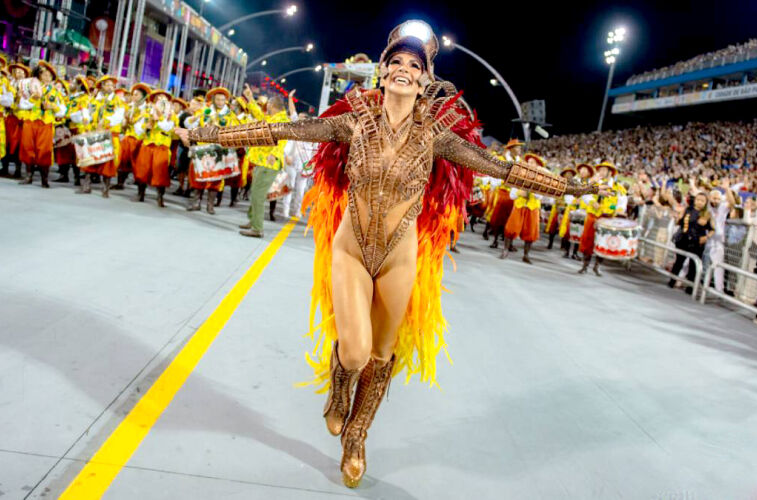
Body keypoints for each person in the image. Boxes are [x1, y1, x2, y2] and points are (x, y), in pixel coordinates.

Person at [179, 20, 599, 488]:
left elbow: (500, 168)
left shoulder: (439, 135)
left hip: (401, 256)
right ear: (382, 72)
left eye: (413, 65)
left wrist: (564, 187)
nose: (403, 69)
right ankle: (339, 390)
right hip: (351, 248)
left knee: (382, 354)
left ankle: (357, 436)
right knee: (355, 352)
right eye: (395, 62)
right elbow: (283, 127)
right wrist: (212, 134)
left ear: (425, 80)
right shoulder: (352, 119)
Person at [238, 84, 290, 237]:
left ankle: (257, 228)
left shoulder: (282, 121)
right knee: (255, 192)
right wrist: (249, 98)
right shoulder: (272, 118)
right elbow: (258, 115)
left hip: (269, 162)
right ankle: (253, 220)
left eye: (268, 106)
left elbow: (282, 141)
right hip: (262, 161)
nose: (266, 108)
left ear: (272, 106)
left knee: (258, 195)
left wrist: (274, 154)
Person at [184, 87, 237, 214]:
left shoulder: (230, 115)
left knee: (215, 179)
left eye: (223, 100)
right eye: (218, 99)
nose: (220, 102)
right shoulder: (205, 111)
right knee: (198, 175)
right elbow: (188, 124)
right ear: (213, 100)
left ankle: (210, 205)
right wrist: (197, 118)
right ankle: (196, 202)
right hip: (203, 148)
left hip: (218, 150)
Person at [18, 61, 65, 188]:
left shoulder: (56, 92)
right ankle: (29, 176)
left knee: (44, 150)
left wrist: (53, 106)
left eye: (49, 76)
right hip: (31, 120)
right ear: (39, 76)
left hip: (46, 123)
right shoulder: (29, 88)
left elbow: (63, 110)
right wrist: (33, 99)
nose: (47, 78)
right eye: (44, 75)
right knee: (28, 147)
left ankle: (44, 179)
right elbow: (22, 104)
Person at [78, 75, 125, 197]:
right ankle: (86, 185)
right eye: (107, 84)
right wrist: (86, 119)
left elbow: (118, 117)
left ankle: (105, 189)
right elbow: (88, 112)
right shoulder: (94, 100)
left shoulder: (118, 101)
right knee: (89, 160)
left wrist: (105, 122)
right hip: (94, 133)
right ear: (102, 86)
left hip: (108, 134)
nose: (110, 87)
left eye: (112, 85)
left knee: (108, 163)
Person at [578, 161, 627, 276]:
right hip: (593, 215)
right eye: (600, 170)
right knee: (588, 241)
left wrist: (615, 209)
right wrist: (592, 202)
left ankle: (597, 266)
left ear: (610, 172)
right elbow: (584, 194)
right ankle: (585, 265)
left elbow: (621, 203)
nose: (601, 172)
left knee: (603, 243)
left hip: (607, 218)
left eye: (604, 170)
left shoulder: (618, 188)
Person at [132, 90, 177, 207]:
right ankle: (140, 194)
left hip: (162, 147)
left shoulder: (171, 115)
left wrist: (160, 117)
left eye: (164, 99)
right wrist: (144, 126)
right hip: (147, 145)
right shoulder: (147, 113)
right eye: (158, 98)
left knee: (160, 173)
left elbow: (167, 128)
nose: (161, 100)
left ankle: (160, 197)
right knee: (142, 170)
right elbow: (138, 130)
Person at [668, 192, 714, 295]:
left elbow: (712, 229)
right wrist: (676, 218)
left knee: (694, 265)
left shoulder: (707, 214)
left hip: (697, 242)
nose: (700, 202)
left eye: (702, 200)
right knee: (679, 262)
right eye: (698, 199)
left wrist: (706, 237)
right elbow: (679, 222)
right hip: (684, 239)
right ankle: (672, 281)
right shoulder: (688, 210)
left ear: (706, 202)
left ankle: (690, 287)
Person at [0, 62, 30, 178]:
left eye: (21, 72)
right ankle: (4, 167)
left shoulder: (28, 86)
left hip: (20, 118)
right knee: (5, 141)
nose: (19, 74)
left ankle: (18, 170)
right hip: (8, 117)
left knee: (18, 144)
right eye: (16, 71)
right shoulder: (9, 83)